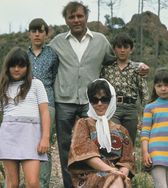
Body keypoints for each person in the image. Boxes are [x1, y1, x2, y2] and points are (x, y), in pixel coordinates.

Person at [49, 1, 149, 187]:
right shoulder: (57, 43)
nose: (76, 20)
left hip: (92, 101)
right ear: (66, 20)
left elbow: (118, 61)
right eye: (72, 17)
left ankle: (96, 183)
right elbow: (47, 65)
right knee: (65, 147)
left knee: (96, 146)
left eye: (80, 16)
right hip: (64, 100)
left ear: (86, 17)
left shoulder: (101, 41)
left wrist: (138, 66)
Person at [0, 47, 51, 187]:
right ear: (7, 67)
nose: (16, 69)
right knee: (12, 184)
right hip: (8, 137)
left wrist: (45, 138)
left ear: (27, 67)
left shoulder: (36, 85)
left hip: (31, 138)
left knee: (33, 182)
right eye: (13, 65)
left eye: (21, 65)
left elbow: (45, 112)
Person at [68, 79, 135, 188]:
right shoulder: (83, 124)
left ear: (112, 100)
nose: (99, 104)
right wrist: (111, 171)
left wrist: (121, 174)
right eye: (94, 100)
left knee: (118, 180)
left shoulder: (122, 130)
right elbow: (84, 154)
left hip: (116, 176)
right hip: (89, 175)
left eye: (104, 99)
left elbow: (127, 161)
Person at [100, 32, 149, 145]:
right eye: (119, 47)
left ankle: (128, 162)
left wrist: (144, 118)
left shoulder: (137, 69)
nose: (122, 50)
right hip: (113, 108)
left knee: (128, 143)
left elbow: (145, 94)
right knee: (114, 139)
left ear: (131, 49)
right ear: (114, 49)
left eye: (126, 47)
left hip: (131, 110)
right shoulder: (107, 69)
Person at [27, 18, 59, 188]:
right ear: (29, 34)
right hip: (27, 105)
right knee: (27, 142)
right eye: (34, 31)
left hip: (48, 103)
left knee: (44, 142)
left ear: (46, 34)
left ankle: (42, 183)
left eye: (40, 31)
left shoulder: (53, 54)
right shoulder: (24, 56)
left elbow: (54, 76)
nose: (37, 34)